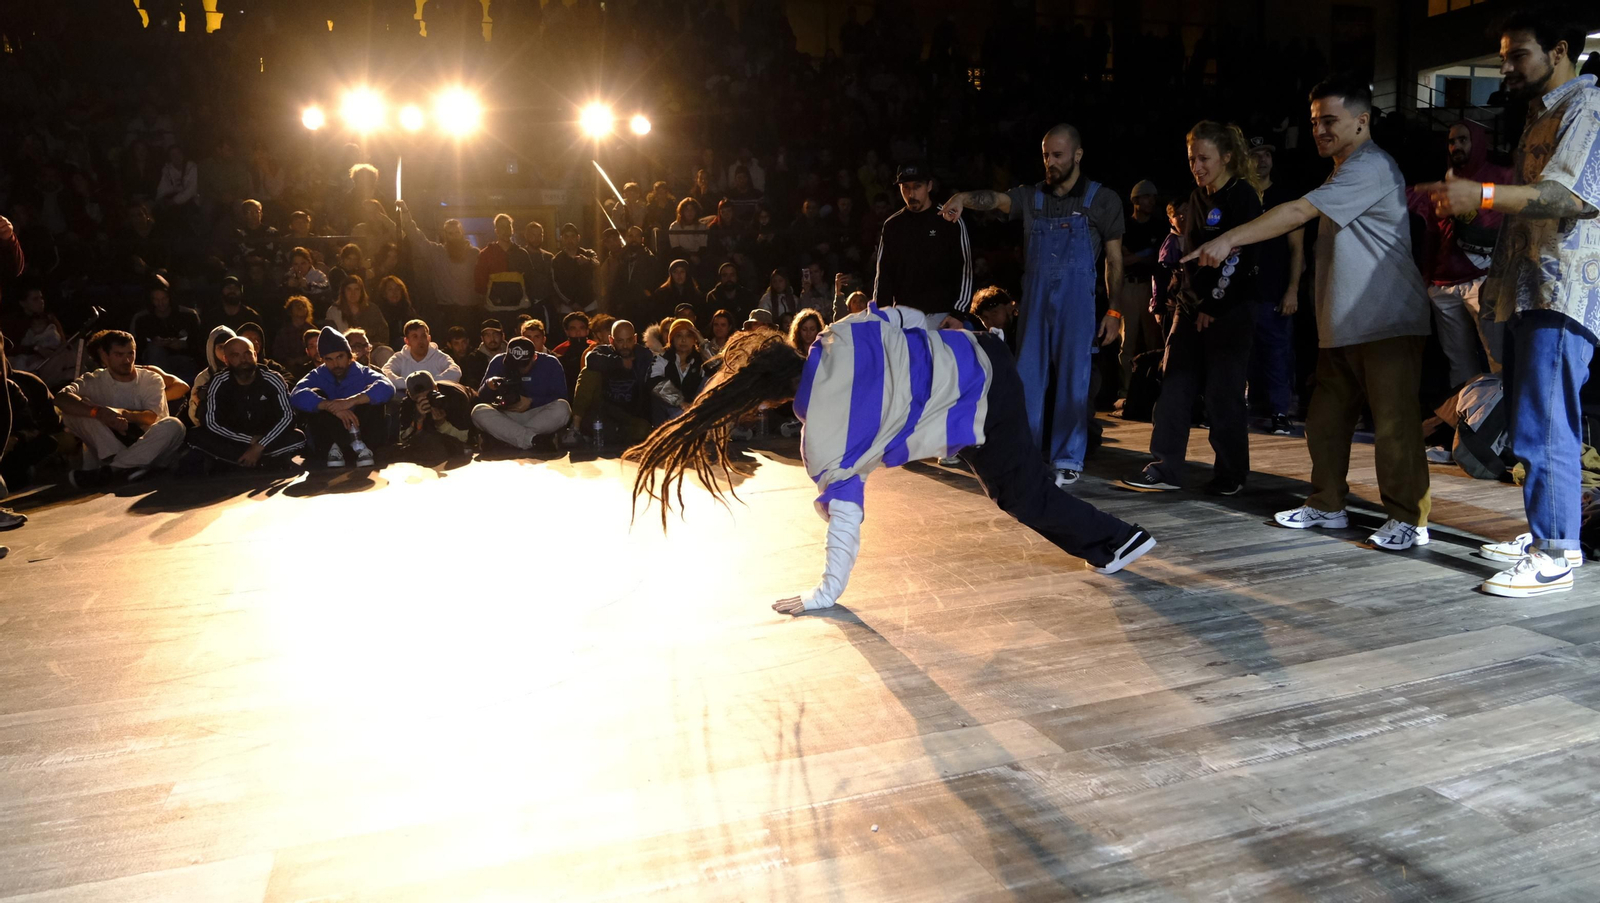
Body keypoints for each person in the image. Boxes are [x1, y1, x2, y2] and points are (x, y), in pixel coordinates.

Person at [627, 306, 1156, 615]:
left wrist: (824, 594)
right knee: (1015, 487)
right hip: (977, 353)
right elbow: (908, 316)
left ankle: (1118, 540)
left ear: (764, 401)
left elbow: (847, 520)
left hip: (976, 399)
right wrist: (945, 333)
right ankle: (1108, 542)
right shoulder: (840, 332)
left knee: (1021, 493)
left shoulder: (825, 438)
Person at [1186, 76, 1433, 551]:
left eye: (1330, 121)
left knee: (1395, 428)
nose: (1319, 130)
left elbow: (1297, 212)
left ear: (1362, 121)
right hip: (1344, 324)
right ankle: (1328, 504)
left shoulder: (1372, 166)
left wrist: (1228, 237)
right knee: (1324, 423)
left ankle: (1409, 519)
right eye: (1315, 121)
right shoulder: (1341, 173)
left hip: (1386, 322)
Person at [1420, 12, 1599, 596]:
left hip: (1562, 288)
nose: (1506, 68)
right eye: (1503, 57)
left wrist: (1484, 193)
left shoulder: (1587, 105)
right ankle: (1554, 532)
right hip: (1530, 287)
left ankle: (1556, 552)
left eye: (1518, 54)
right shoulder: (1540, 113)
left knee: (1546, 422)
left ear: (1560, 50)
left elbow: (1569, 196)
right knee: (1529, 422)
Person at [942, 124, 1128, 486]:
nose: (1050, 162)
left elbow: (1115, 261)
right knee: (1026, 378)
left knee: (1075, 380)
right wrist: (963, 197)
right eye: (1045, 155)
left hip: (1077, 303)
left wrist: (1114, 310)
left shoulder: (1102, 200)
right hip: (1036, 301)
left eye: (1058, 155)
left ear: (1077, 155)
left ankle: (1068, 458)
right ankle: (1023, 454)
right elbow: (996, 199)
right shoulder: (1032, 197)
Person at [1118, 122, 1263, 496]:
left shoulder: (1243, 196)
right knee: (1174, 386)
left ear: (1226, 157)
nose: (1196, 167)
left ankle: (1231, 473)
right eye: (1191, 159)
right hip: (1190, 307)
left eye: (1204, 159)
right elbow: (1193, 258)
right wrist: (1193, 302)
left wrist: (1214, 305)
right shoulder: (1198, 198)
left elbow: (1243, 258)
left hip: (1231, 311)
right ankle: (1164, 467)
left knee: (1222, 394)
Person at [1408, 120, 1514, 387]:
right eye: (1451, 141)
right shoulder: (1443, 182)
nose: (1456, 146)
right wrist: (1429, 280)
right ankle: (1468, 412)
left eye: (1463, 140)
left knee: (1498, 359)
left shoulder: (1501, 179)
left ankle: (1502, 412)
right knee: (1459, 362)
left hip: (1484, 281)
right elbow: (1431, 232)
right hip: (1444, 285)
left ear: (1478, 141)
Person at [54, 330, 187, 489]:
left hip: (152, 447)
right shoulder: (93, 380)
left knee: (174, 425)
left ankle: (113, 470)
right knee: (74, 412)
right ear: (105, 356)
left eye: (130, 353)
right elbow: (61, 398)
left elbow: (151, 417)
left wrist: (121, 414)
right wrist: (98, 412)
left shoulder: (150, 378)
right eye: (119, 355)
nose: (127, 360)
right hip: (113, 446)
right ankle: (128, 466)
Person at [1246, 137, 1306, 435]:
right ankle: (1241, 407)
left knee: (1277, 354)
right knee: (1239, 355)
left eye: (1267, 154)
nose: (1262, 160)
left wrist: (1292, 289)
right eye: (1255, 154)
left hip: (1274, 290)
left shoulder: (1285, 197)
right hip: (1241, 292)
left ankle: (1280, 412)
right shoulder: (1239, 194)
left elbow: (1297, 249)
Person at [188, 336, 305, 470]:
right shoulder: (218, 382)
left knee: (297, 436)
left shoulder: (273, 379)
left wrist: (260, 446)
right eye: (235, 355)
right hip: (235, 440)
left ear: (255, 355)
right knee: (196, 435)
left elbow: (288, 417)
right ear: (226, 360)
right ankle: (263, 461)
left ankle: (238, 462)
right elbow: (211, 423)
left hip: (266, 438)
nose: (243, 359)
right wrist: (249, 440)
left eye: (247, 354)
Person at [873, 162, 973, 313]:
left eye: (917, 186)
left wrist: (958, 313)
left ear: (929, 186)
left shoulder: (948, 219)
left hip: (942, 314)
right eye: (905, 187)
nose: (911, 194)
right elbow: (884, 276)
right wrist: (880, 315)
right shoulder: (892, 225)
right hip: (904, 315)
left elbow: (965, 269)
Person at [289, 326, 395, 467]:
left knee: (373, 393)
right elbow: (296, 394)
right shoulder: (318, 374)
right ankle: (333, 447)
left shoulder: (362, 372)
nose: (336, 364)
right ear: (323, 359)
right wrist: (330, 406)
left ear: (349, 355)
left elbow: (388, 387)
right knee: (315, 394)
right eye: (329, 359)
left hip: (362, 432)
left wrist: (350, 402)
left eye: (340, 357)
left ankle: (364, 447)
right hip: (330, 438)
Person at [473, 335, 570, 451]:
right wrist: (488, 386)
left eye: (523, 365)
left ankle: (505, 439)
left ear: (534, 357)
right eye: (513, 364)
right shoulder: (497, 361)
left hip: (537, 414)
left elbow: (561, 396)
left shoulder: (550, 363)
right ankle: (534, 440)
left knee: (563, 407)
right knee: (478, 411)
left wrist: (532, 401)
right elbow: (481, 397)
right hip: (506, 415)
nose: (518, 368)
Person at [1118, 180, 1168, 395]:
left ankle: (1152, 389)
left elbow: (1159, 259)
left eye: (1153, 197)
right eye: (1147, 197)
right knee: (1127, 340)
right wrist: (1146, 253)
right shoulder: (1124, 226)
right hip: (1129, 286)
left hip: (1151, 286)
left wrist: (1135, 256)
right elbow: (1120, 260)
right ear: (1135, 200)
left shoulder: (1159, 226)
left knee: (1153, 340)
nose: (1151, 201)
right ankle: (1128, 389)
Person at [569, 319, 654, 445]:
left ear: (635, 339)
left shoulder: (643, 355)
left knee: (641, 430)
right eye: (620, 341)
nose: (625, 345)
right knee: (589, 372)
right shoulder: (603, 351)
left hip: (630, 413)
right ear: (611, 340)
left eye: (629, 340)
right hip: (604, 410)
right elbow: (591, 360)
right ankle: (575, 427)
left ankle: (611, 433)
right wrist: (619, 363)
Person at [397, 200, 479, 329]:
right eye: (450, 233)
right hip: (447, 312)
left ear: (462, 233)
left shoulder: (474, 254)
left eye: (457, 232)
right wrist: (405, 212)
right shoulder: (436, 252)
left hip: (471, 311)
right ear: (445, 235)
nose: (454, 236)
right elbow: (416, 236)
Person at [129, 276, 204, 382]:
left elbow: (200, 343)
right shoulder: (141, 319)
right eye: (156, 299)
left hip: (185, 360)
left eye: (164, 298)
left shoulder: (188, 315)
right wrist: (154, 344)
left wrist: (184, 345)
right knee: (155, 352)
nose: (161, 303)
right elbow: (135, 347)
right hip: (153, 364)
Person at [396, 370, 475, 464]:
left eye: (428, 395)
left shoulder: (455, 397)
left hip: (473, 410)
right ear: (410, 396)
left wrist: (442, 423)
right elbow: (403, 438)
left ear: (436, 388)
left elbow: (465, 438)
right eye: (418, 398)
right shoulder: (408, 404)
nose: (425, 401)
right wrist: (418, 421)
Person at [475, 212, 536, 317]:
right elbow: (480, 282)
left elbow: (530, 280)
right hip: (494, 310)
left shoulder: (522, 254)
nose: (506, 230)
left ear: (512, 230)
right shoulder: (486, 254)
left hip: (519, 309)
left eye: (508, 226)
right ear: (496, 231)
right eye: (502, 227)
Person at [648, 318, 708, 424]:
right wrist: (681, 402)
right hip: (668, 413)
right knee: (659, 394)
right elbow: (654, 381)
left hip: (694, 409)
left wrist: (703, 342)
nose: (683, 340)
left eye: (689, 336)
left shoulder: (700, 359)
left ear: (694, 339)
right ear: (672, 339)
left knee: (709, 380)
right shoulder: (662, 358)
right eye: (679, 335)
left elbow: (719, 366)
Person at [382, 318, 463, 389]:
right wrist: (409, 385)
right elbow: (385, 372)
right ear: (407, 341)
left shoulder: (438, 356)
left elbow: (456, 371)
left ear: (429, 338)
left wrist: (431, 383)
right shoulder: (399, 358)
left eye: (423, 336)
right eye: (415, 337)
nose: (420, 341)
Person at [325, 274, 391, 349]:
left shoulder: (372, 309)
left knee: (386, 351)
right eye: (349, 289)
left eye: (356, 289)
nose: (353, 293)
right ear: (343, 291)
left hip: (371, 348)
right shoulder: (334, 312)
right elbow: (331, 337)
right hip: (345, 350)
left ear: (361, 292)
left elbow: (383, 332)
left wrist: (370, 346)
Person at [187, 325, 236, 426]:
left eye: (228, 346)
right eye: (220, 347)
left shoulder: (245, 371)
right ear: (212, 349)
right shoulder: (204, 378)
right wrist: (199, 404)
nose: (225, 351)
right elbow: (194, 418)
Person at [552, 223, 600, 314]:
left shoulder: (588, 254)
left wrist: (587, 261)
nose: (570, 240)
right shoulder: (557, 260)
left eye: (572, 236)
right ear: (561, 239)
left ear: (578, 238)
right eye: (566, 237)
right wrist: (571, 303)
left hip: (589, 303)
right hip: (567, 306)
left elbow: (597, 264)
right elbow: (556, 285)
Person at [461, 318, 506, 391]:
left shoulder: (513, 356)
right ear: (482, 338)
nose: (492, 339)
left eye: (495, 334)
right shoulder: (473, 359)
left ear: (503, 336)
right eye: (487, 335)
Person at [373, 275, 419, 345]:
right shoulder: (379, 312)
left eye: (397, 289)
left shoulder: (408, 310)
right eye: (390, 289)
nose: (394, 292)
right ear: (384, 293)